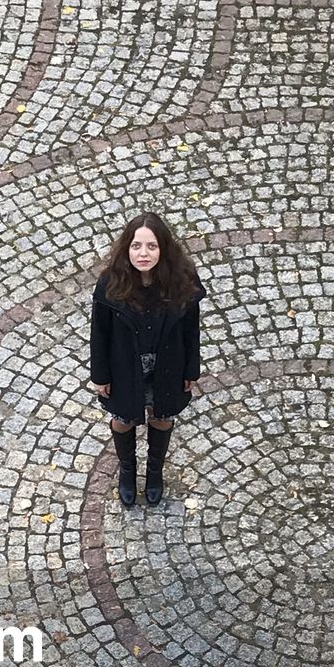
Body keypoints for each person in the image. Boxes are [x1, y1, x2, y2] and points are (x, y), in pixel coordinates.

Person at [89, 212, 206, 507]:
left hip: (168, 364)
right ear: (126, 248)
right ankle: (127, 471)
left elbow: (191, 329)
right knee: (123, 419)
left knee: (163, 416)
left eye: (151, 246)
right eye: (137, 246)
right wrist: (100, 375)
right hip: (124, 366)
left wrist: (192, 368)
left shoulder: (182, 281)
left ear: (163, 248)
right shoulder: (110, 283)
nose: (143, 254)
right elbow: (99, 333)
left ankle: (155, 472)